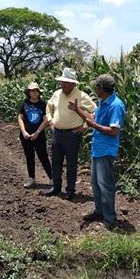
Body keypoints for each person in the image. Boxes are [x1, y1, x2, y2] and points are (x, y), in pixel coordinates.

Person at [68, 74, 126, 229]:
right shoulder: (104, 102)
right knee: (95, 183)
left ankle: (109, 218)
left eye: (96, 87)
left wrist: (94, 126)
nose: (95, 89)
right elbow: (92, 118)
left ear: (101, 88)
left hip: (106, 150)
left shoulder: (115, 105)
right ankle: (99, 211)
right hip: (97, 149)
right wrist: (77, 110)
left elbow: (114, 131)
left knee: (105, 184)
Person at [44, 68, 96, 200]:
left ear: (73, 84)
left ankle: (70, 190)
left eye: (66, 82)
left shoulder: (82, 96)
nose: (62, 85)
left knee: (71, 164)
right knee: (56, 162)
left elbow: (96, 112)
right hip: (57, 134)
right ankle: (56, 187)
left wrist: (84, 126)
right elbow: (48, 107)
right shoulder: (57, 94)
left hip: (72, 135)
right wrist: (50, 121)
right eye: (62, 82)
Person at [18, 82, 53, 188]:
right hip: (26, 136)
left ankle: (52, 179)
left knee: (43, 156)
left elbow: (46, 120)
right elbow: (20, 117)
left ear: (39, 92)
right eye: (32, 91)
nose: (34, 93)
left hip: (39, 135)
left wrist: (37, 132)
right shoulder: (25, 103)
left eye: (36, 91)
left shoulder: (43, 104)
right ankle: (31, 178)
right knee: (29, 156)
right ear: (28, 92)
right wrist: (24, 132)